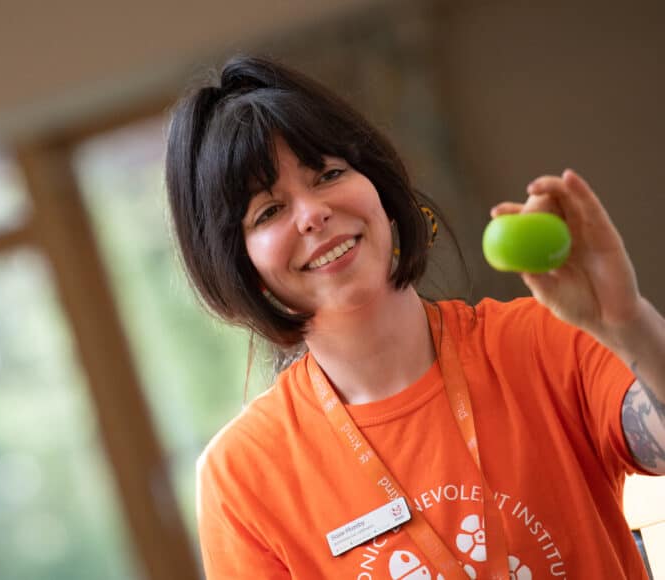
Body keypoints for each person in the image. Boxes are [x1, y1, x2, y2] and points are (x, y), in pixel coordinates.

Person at [164, 55, 665, 579]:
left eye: (329, 174)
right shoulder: (245, 476)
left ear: (379, 190)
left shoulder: (539, 341)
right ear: (241, 267)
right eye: (269, 211)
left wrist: (625, 320)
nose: (312, 214)